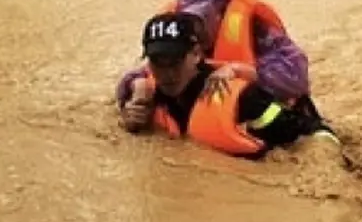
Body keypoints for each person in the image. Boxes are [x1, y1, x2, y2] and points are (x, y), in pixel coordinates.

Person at [118, 13, 329, 158]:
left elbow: (315, 134)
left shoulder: (241, 98)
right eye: (158, 62)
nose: (167, 73)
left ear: (196, 54)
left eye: (175, 61)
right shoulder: (144, 96)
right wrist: (131, 122)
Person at [116, 0, 312, 108]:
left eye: (201, 19)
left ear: (221, 14)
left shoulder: (256, 30)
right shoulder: (178, 37)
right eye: (189, 17)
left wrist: (237, 70)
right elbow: (144, 71)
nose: (195, 29)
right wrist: (136, 86)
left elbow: (297, 77)